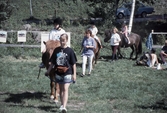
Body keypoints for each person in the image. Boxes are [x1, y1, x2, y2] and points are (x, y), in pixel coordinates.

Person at [45, 33, 77, 113]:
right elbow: (52, 62)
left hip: (67, 72)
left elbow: (73, 63)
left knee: (65, 89)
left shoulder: (70, 51)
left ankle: (64, 107)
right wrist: (48, 71)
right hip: (58, 72)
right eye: (61, 40)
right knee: (61, 90)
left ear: (67, 40)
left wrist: (74, 74)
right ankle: (62, 105)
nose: (62, 42)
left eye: (64, 40)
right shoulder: (56, 50)